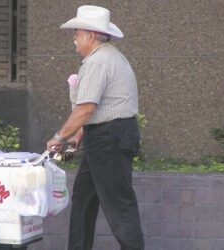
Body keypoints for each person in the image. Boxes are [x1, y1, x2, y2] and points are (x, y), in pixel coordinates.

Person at [46, 5, 144, 250]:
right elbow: (93, 110)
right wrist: (79, 134)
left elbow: (86, 109)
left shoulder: (98, 61)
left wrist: (59, 137)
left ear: (90, 35)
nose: (74, 39)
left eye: (77, 34)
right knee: (84, 198)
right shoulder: (111, 56)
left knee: (118, 203)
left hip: (108, 138)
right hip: (108, 136)